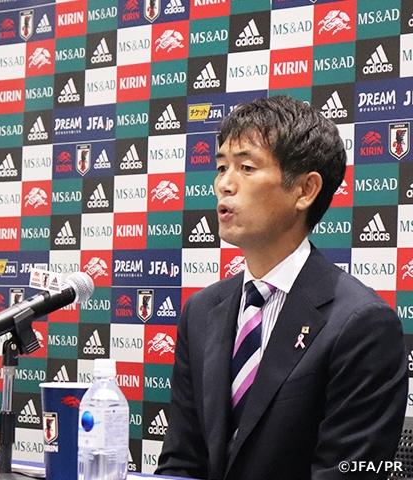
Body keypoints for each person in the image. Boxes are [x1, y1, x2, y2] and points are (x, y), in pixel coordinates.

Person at [155, 95, 407, 479]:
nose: (224, 184)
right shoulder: (203, 310)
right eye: (221, 167)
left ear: (305, 190)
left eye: (246, 167)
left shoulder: (362, 324)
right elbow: (182, 462)